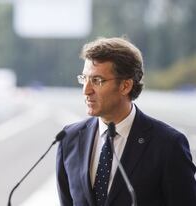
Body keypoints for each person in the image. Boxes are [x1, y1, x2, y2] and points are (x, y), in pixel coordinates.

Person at [56, 37, 196, 206]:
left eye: (97, 81)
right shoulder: (69, 139)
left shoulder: (168, 144)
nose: (86, 90)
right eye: (84, 78)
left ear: (125, 86)